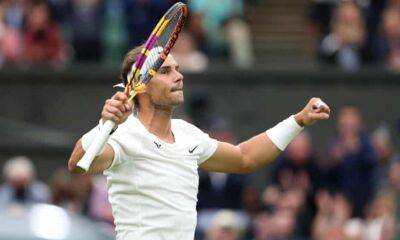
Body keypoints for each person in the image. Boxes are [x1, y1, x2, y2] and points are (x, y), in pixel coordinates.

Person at [67, 45, 331, 239]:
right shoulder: (124, 135)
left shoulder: (187, 134)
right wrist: (106, 124)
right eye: (166, 71)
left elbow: (244, 158)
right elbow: (78, 164)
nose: (179, 77)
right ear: (140, 86)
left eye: (178, 70)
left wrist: (298, 120)